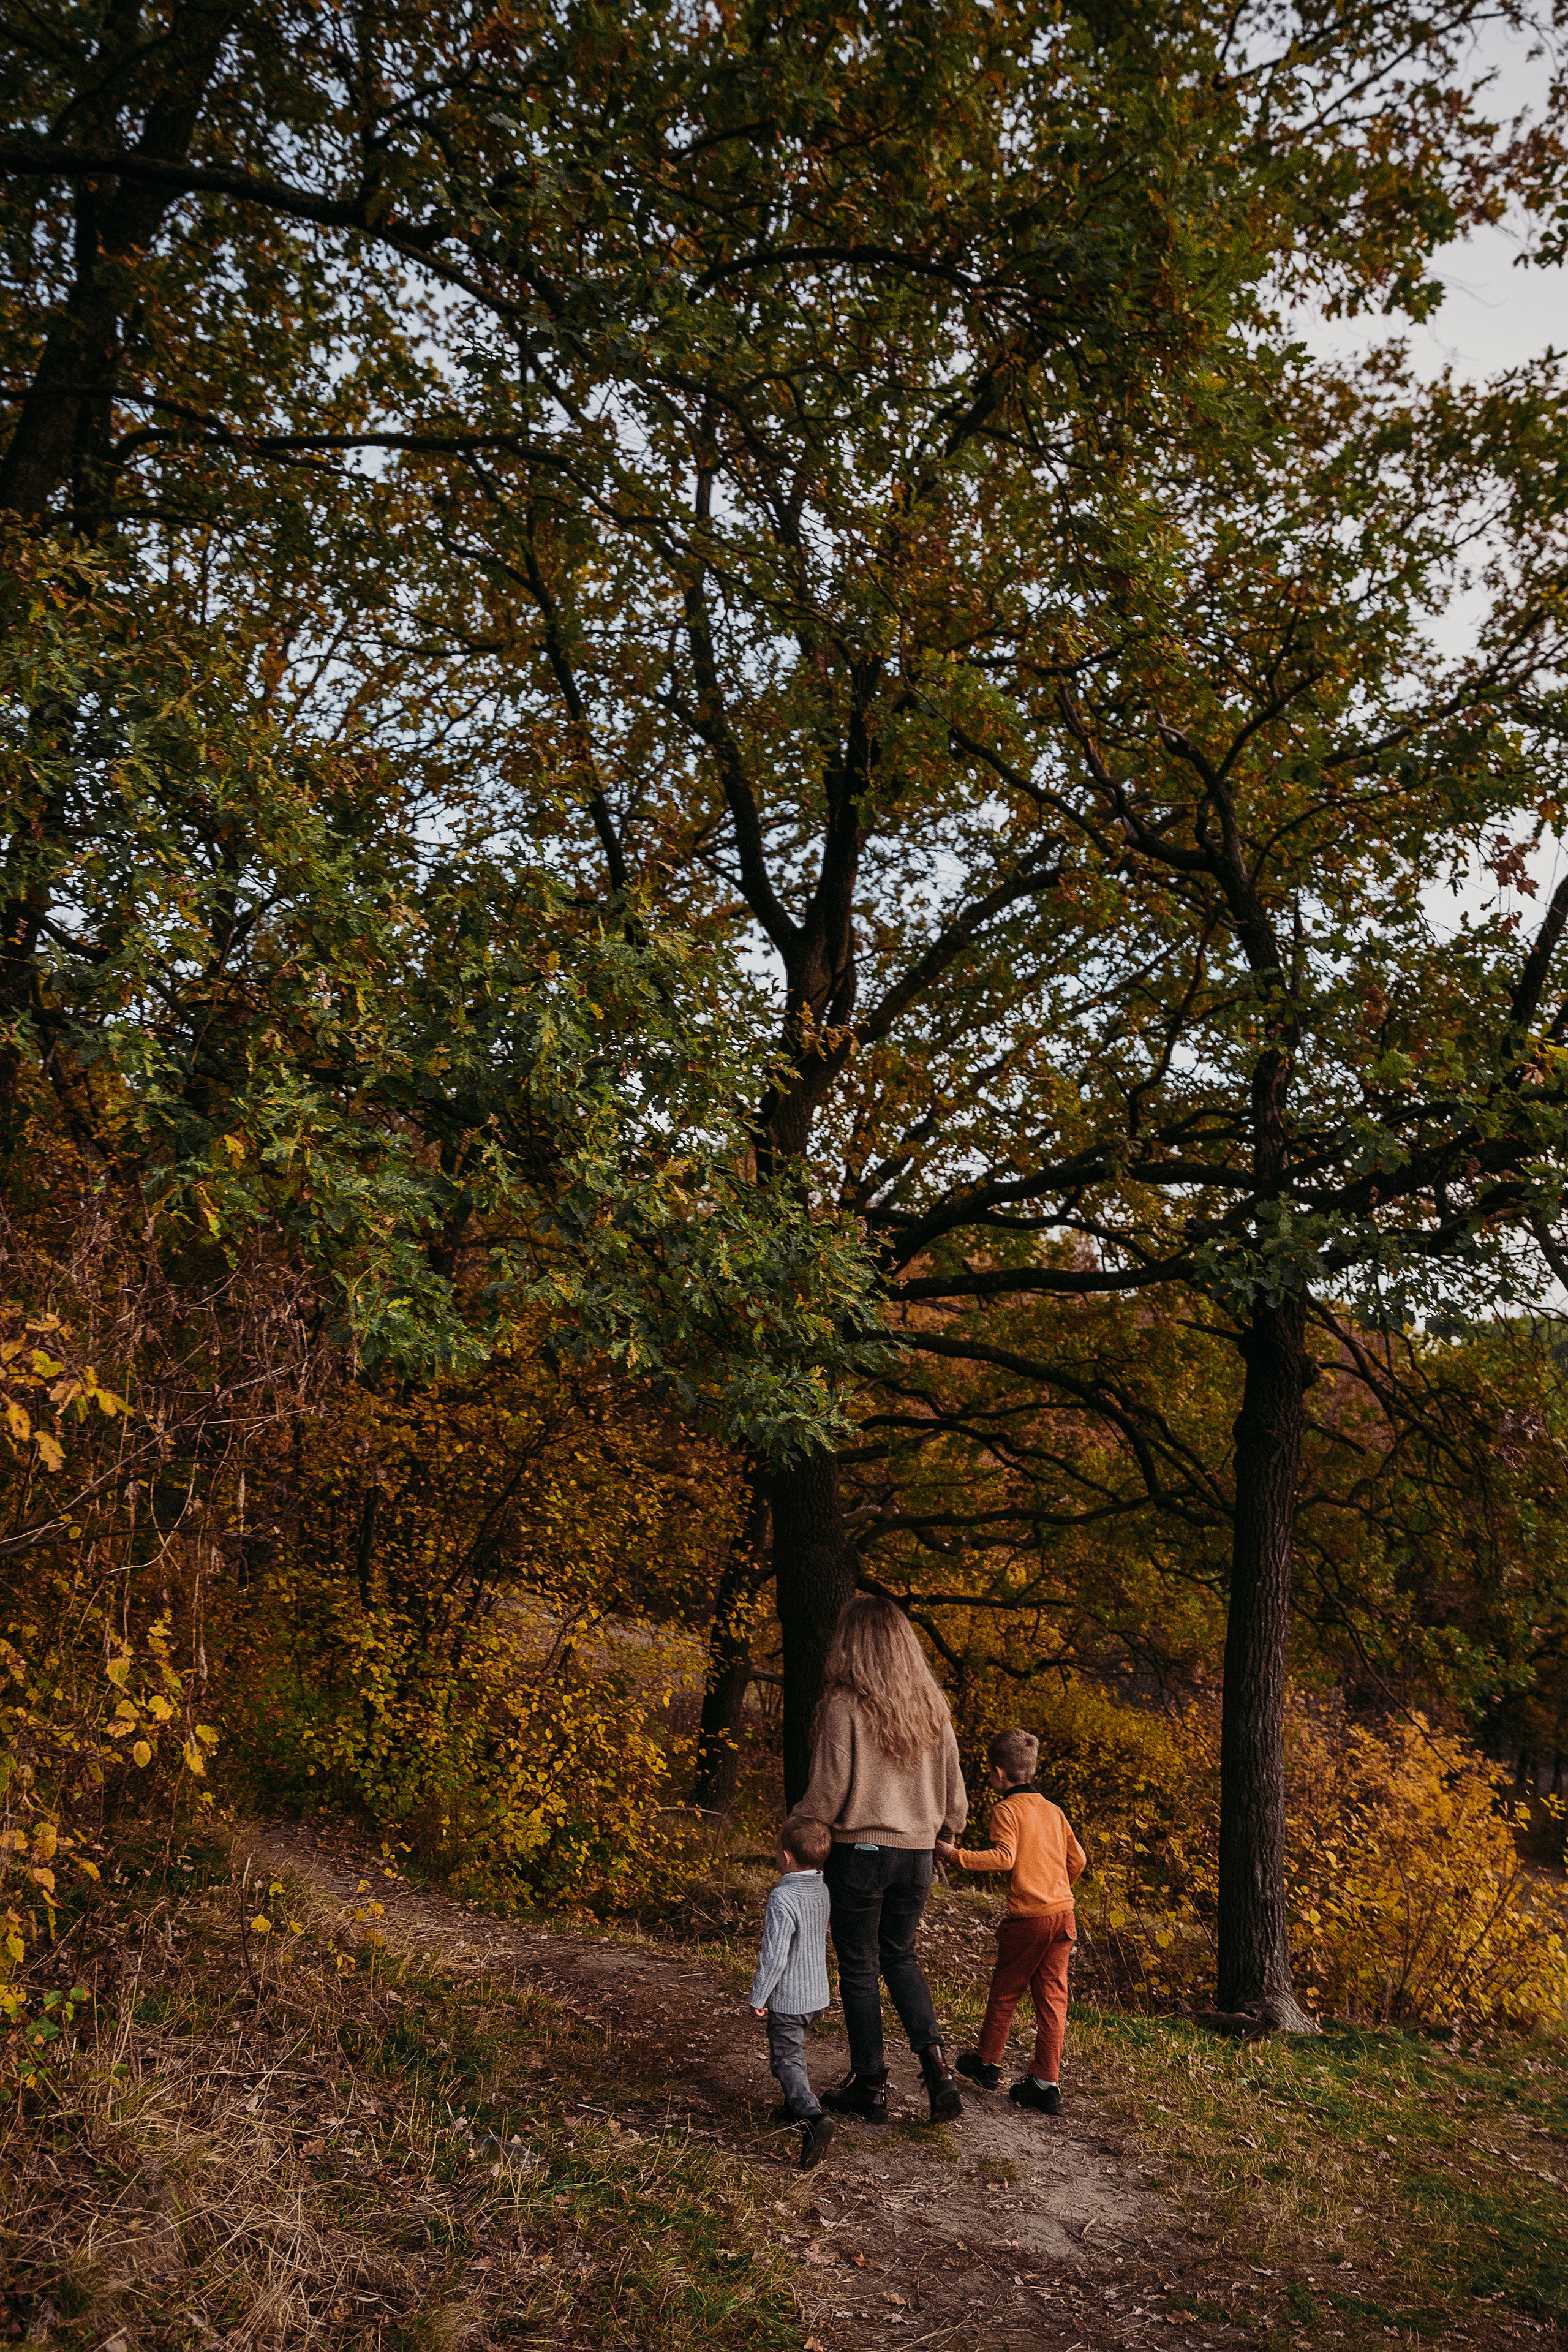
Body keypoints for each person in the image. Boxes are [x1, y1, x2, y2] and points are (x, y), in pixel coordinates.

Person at [784, 1594, 968, 2127]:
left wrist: (801, 1826)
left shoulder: (845, 1703)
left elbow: (826, 1793)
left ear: (853, 1643)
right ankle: (937, 2069)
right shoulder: (932, 1705)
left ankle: (870, 2083)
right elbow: (955, 1792)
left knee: (861, 1967)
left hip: (861, 1853)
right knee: (901, 1957)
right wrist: (947, 1826)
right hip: (918, 1856)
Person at [935, 1725, 1086, 2115]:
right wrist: (1055, 1888)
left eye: (989, 1772)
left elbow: (1004, 1858)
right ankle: (1045, 2083)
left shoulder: (1007, 1810)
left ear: (1000, 1774)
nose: (989, 1778)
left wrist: (956, 1855)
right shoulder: (1054, 1811)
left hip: (1030, 1920)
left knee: (1006, 1989)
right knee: (1053, 1999)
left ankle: (987, 2063)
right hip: (1064, 1914)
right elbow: (1079, 1861)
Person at [747, 1815, 836, 2170]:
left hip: (791, 1997)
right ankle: (792, 2104)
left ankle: (813, 2118)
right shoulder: (822, 1888)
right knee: (794, 2051)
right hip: (817, 1994)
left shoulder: (783, 1896)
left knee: (785, 2058)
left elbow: (775, 1955)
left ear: (786, 1856)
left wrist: (759, 1996)